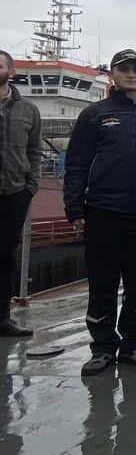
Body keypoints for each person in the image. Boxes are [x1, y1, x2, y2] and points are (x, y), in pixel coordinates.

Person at [64, 50, 136, 376]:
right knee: (102, 281)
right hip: (103, 210)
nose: (130, 75)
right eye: (124, 69)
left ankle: (133, 345)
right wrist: (74, 206)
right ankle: (102, 347)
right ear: (112, 74)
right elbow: (76, 163)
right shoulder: (94, 115)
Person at [0, 50, 41, 338]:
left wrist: (30, 187)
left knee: (5, 258)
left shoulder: (28, 110)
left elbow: (35, 151)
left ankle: (2, 317)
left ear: (10, 73)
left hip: (13, 193)